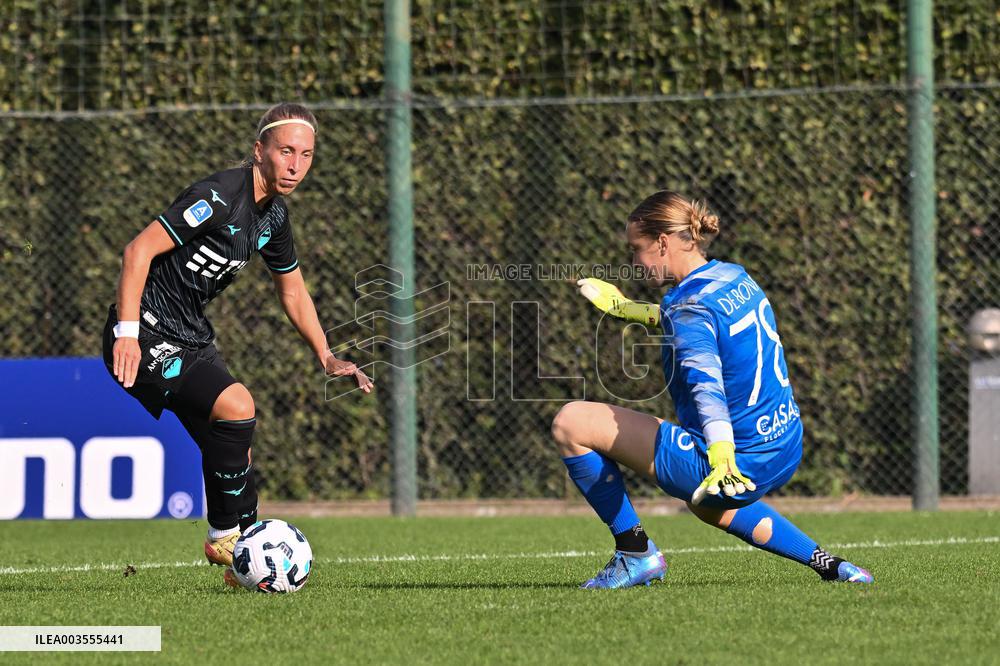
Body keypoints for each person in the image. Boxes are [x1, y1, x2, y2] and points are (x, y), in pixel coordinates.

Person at [102, 102, 372, 581]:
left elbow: (292, 288)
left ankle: (245, 564)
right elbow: (137, 251)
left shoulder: (274, 218)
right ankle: (221, 539)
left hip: (190, 335)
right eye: (286, 151)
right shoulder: (218, 195)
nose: (295, 164)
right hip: (145, 331)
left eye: (306, 154)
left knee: (235, 448)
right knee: (238, 404)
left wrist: (325, 354)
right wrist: (127, 334)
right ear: (259, 151)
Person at [553, 190, 872, 589]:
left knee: (572, 423)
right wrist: (628, 310)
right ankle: (831, 565)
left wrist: (721, 455)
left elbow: (707, 385)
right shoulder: (734, 277)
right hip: (785, 445)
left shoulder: (688, 306)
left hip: (734, 461)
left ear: (663, 243)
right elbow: (707, 327)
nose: (635, 261)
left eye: (637, 249)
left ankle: (635, 553)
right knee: (708, 506)